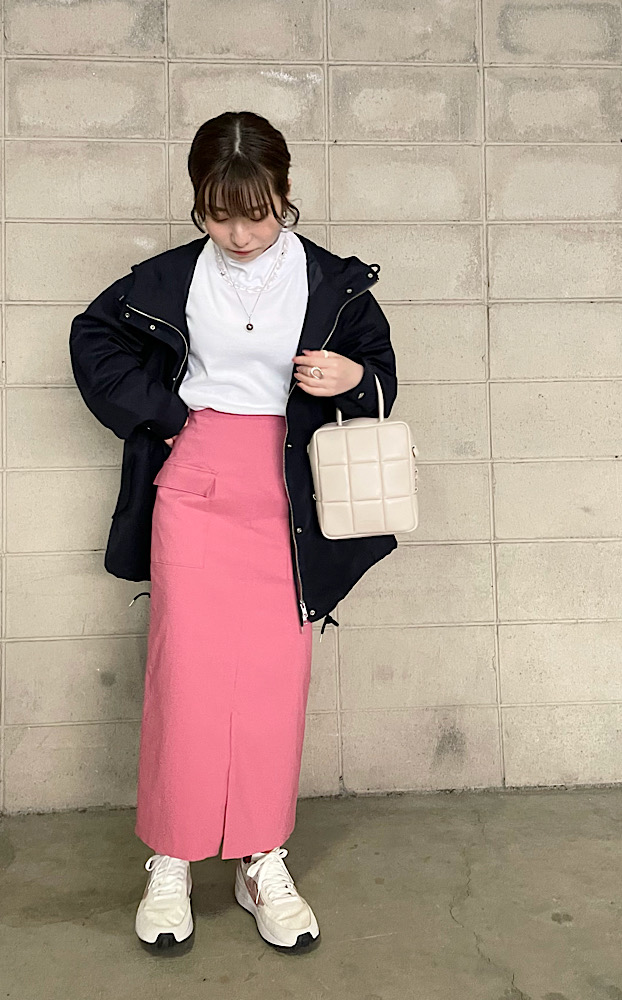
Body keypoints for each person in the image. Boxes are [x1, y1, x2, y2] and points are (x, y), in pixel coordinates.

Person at [69, 110, 398, 955]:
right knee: (185, 670)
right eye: (219, 215)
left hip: (290, 493)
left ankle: (261, 859)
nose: (240, 234)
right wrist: (166, 414)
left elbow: (380, 377)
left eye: (256, 213)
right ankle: (172, 860)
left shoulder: (332, 284)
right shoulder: (170, 278)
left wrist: (351, 375)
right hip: (197, 481)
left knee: (274, 679)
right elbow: (92, 338)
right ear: (198, 205)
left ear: (285, 195)